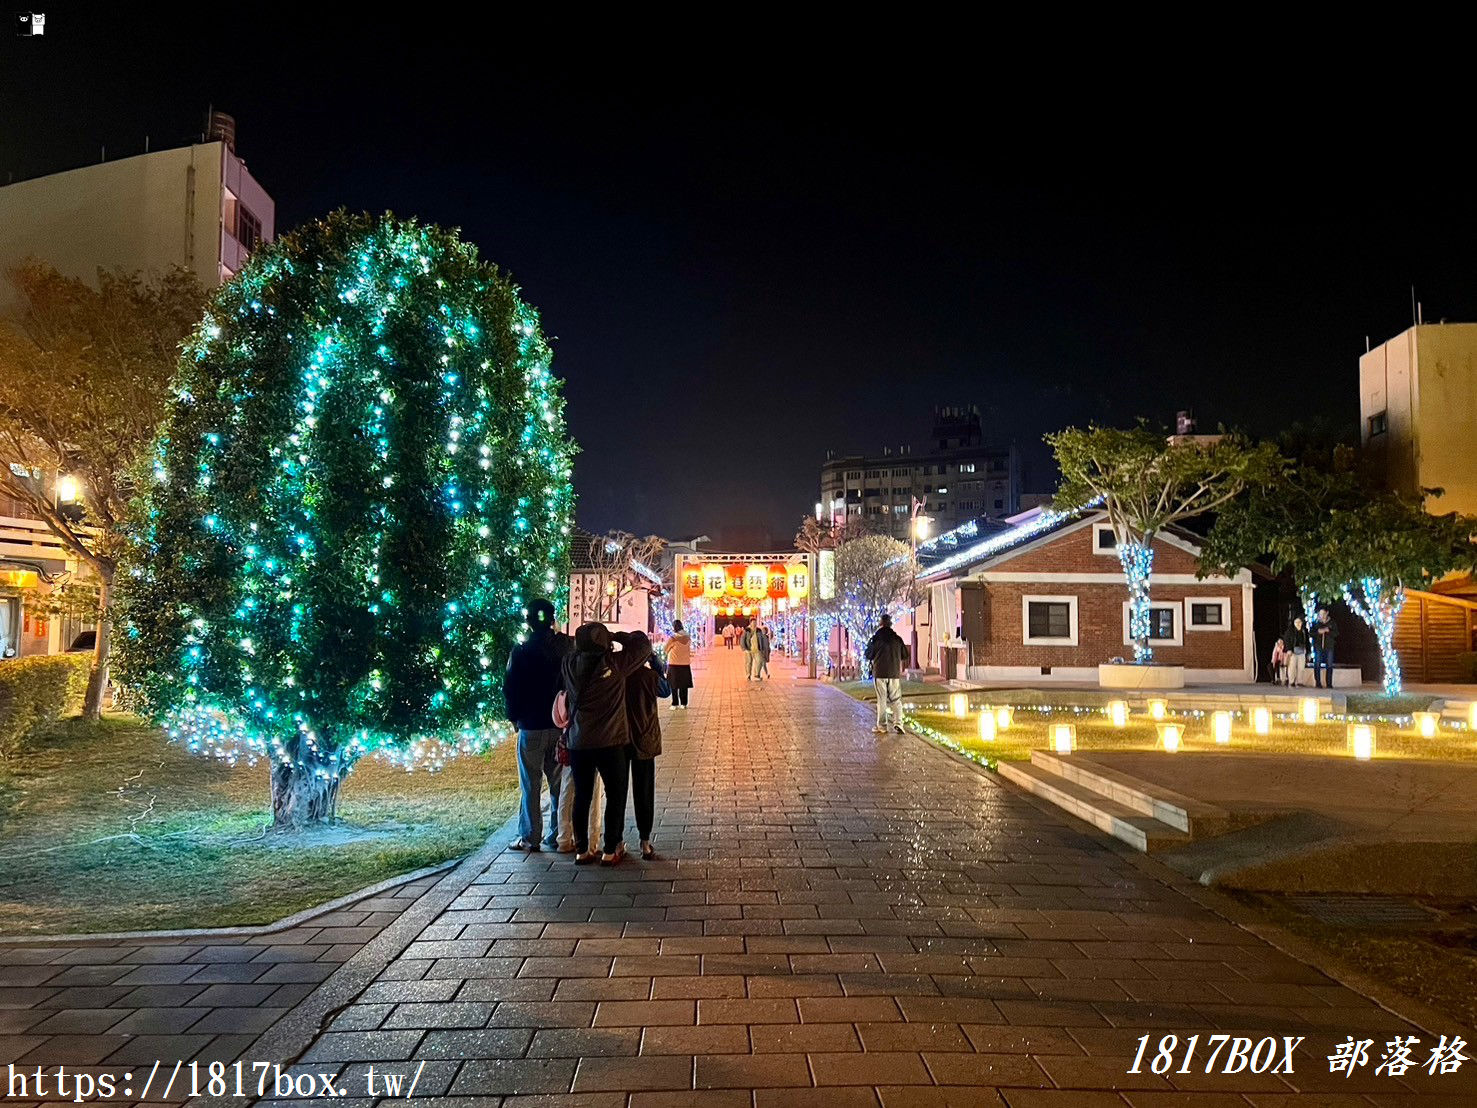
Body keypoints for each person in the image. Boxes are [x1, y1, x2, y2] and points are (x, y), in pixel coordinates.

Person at [561, 622, 652, 865]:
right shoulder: (615, 664)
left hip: (579, 742)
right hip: (611, 743)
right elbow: (643, 646)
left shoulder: (569, 664)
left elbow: (568, 648)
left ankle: (582, 850)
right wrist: (617, 635)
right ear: (605, 643)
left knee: (582, 795)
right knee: (615, 795)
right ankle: (610, 850)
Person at [503, 599, 571, 852]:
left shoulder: (520, 652)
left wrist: (513, 718)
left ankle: (530, 837)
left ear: (529, 621)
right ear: (553, 620)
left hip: (530, 726)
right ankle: (558, 834)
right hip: (558, 723)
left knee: (530, 784)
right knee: (557, 782)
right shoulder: (565, 648)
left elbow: (510, 689)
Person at [622, 631, 665, 860]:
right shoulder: (649, 677)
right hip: (645, 738)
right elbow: (666, 690)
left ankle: (615, 842)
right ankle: (645, 841)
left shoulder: (619, 674)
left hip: (618, 739)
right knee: (644, 790)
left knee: (617, 792)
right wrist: (656, 664)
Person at [864, 612, 908, 734]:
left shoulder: (876, 639)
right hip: (894, 673)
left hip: (880, 673)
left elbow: (868, 654)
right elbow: (905, 655)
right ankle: (899, 723)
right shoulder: (897, 639)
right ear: (890, 624)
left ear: (881, 624)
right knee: (896, 699)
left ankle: (882, 726)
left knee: (881, 700)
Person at [665, 619, 693, 709]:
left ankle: (674, 703)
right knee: (683, 685)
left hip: (674, 664)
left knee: (674, 685)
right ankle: (684, 703)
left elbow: (665, 649)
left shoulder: (673, 638)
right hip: (685, 664)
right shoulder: (688, 637)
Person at [1311, 607, 1339, 689]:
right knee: (1317, 664)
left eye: (1323, 613)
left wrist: (1328, 631)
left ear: (1327, 613)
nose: (1322, 615)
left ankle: (1329, 683)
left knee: (1329, 665)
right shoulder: (1315, 623)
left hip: (1329, 646)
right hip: (1318, 646)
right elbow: (1311, 633)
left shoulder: (1332, 623)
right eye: (1320, 614)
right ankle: (1318, 683)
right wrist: (1318, 632)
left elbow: (1336, 633)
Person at [1282, 614, 1312, 688]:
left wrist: (1308, 652)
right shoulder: (1290, 631)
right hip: (1293, 652)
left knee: (1301, 668)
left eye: (1299, 622)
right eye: (1296, 622)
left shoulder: (1304, 631)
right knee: (1292, 667)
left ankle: (1299, 682)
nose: (1298, 624)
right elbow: (1287, 640)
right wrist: (1289, 649)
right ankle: (1291, 682)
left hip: (1302, 651)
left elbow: (1307, 642)